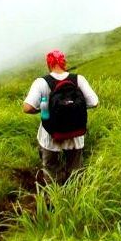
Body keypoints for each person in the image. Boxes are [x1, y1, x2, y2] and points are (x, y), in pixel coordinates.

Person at [22, 49, 98, 184]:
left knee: (51, 170)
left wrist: (44, 109)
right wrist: (74, 107)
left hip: (50, 136)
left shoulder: (41, 82)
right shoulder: (78, 79)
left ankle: (53, 199)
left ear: (49, 64)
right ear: (64, 63)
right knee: (75, 172)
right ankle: (74, 197)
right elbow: (94, 102)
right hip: (75, 135)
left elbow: (27, 108)